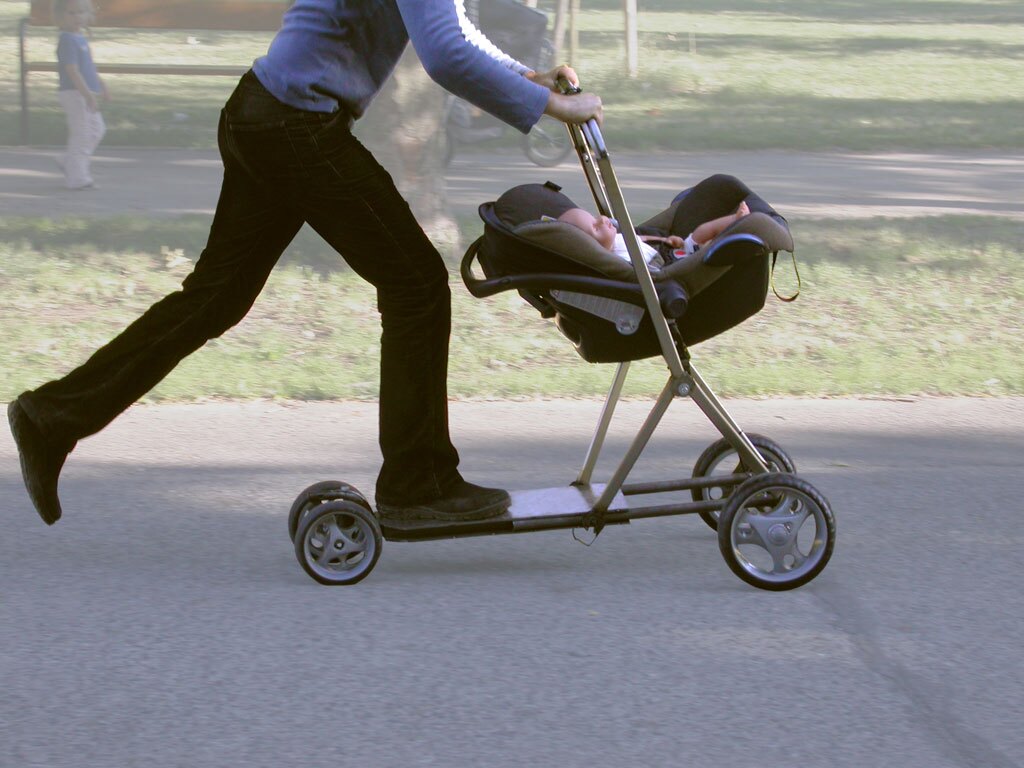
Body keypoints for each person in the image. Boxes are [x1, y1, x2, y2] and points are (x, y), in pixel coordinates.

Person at [7, 0, 603, 529]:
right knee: (416, 284)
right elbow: (445, 53)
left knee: (215, 298)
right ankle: (417, 483)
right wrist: (549, 104)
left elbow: (453, 28)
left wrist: (526, 77)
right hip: (296, 125)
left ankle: (52, 417)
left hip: (264, 109)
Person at [557, 200, 751, 267]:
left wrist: (665, 240)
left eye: (594, 217)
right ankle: (736, 231)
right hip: (674, 268)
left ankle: (735, 220)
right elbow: (648, 275)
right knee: (708, 247)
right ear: (590, 249)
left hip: (671, 252)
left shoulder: (618, 239)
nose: (602, 219)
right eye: (596, 227)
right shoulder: (617, 262)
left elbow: (642, 239)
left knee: (700, 233)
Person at [53, 0, 108, 190]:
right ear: (61, 16)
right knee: (82, 135)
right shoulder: (67, 40)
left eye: (81, 12)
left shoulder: (80, 37)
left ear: (88, 14)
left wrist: (101, 84)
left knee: (97, 130)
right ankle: (77, 177)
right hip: (75, 93)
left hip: (85, 93)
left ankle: (69, 161)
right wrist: (87, 95)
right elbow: (72, 71)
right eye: (71, 13)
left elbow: (88, 67)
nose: (77, 17)